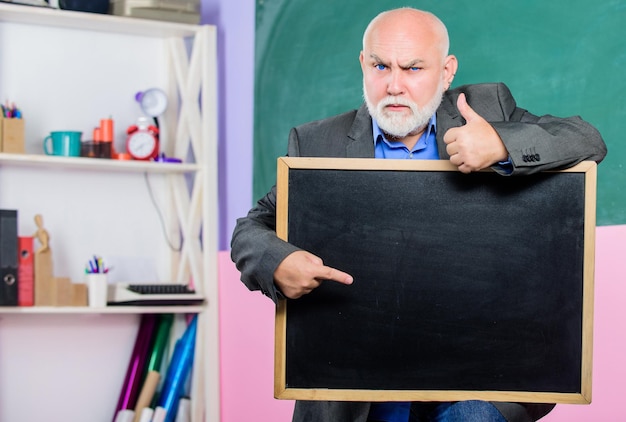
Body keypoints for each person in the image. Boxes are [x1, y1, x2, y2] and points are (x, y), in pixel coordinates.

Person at [231, 7, 607, 422]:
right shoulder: (321, 141)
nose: (394, 85)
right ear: (363, 64)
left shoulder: (486, 108)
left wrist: (501, 144)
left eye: (413, 68)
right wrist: (276, 261)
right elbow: (253, 226)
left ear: (446, 72)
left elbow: (587, 140)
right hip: (354, 387)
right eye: (380, 66)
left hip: (476, 377)